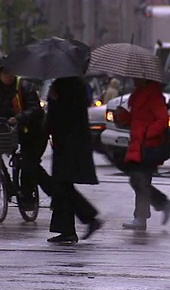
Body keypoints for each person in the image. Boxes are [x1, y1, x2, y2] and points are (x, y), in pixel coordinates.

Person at [0, 57, 51, 207]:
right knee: (3, 155)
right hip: (9, 133)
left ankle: (34, 195)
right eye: (5, 72)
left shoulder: (25, 87)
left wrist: (18, 118)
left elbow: (34, 109)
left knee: (28, 164)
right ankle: (11, 186)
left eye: (11, 72)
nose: (9, 75)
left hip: (33, 132)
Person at [45, 77, 103, 243]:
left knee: (62, 184)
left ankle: (89, 218)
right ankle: (67, 230)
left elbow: (58, 115)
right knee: (63, 185)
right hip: (72, 142)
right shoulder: (78, 85)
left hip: (67, 143)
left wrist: (54, 99)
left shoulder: (64, 86)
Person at [115, 78, 170, 230]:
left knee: (138, 181)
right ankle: (143, 216)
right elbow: (136, 120)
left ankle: (158, 206)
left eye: (136, 77)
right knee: (140, 181)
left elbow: (162, 119)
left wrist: (148, 133)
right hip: (138, 144)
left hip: (148, 146)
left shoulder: (152, 96)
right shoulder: (138, 95)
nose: (133, 79)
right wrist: (123, 116)